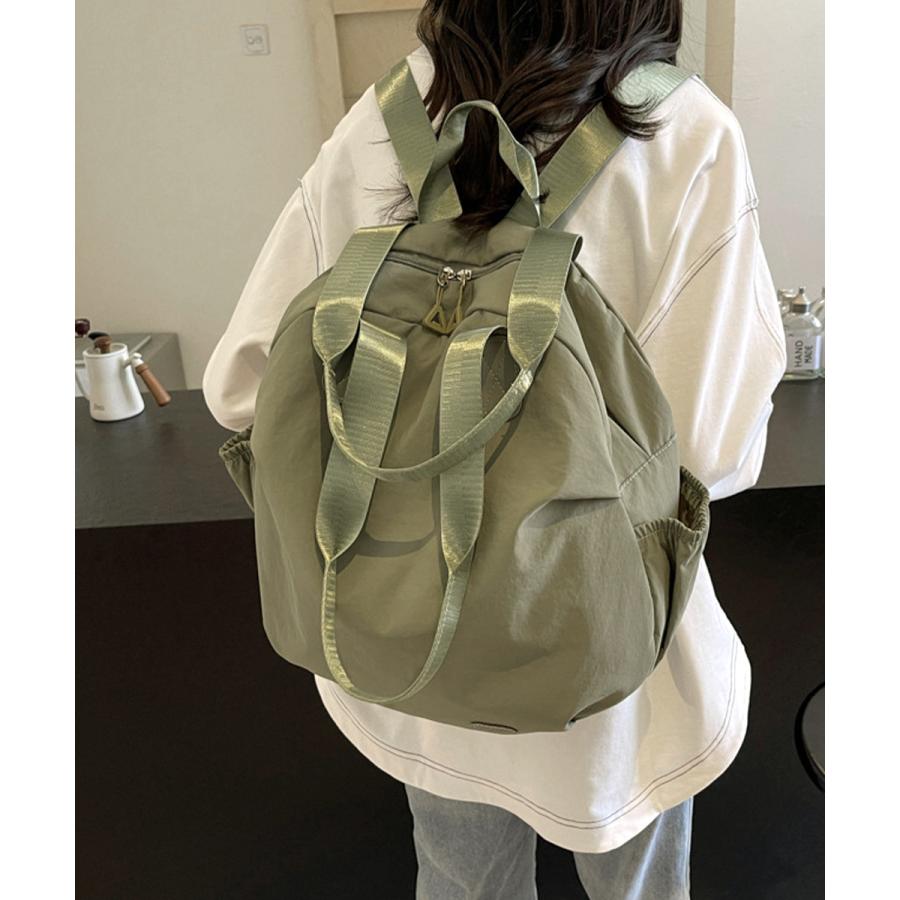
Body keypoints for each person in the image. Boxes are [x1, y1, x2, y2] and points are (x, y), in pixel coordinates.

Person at [202, 1, 787, 896]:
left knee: (459, 878)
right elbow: (716, 444)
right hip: (607, 662)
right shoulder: (683, 127)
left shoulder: (392, 114)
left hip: (413, 651)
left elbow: (239, 385)